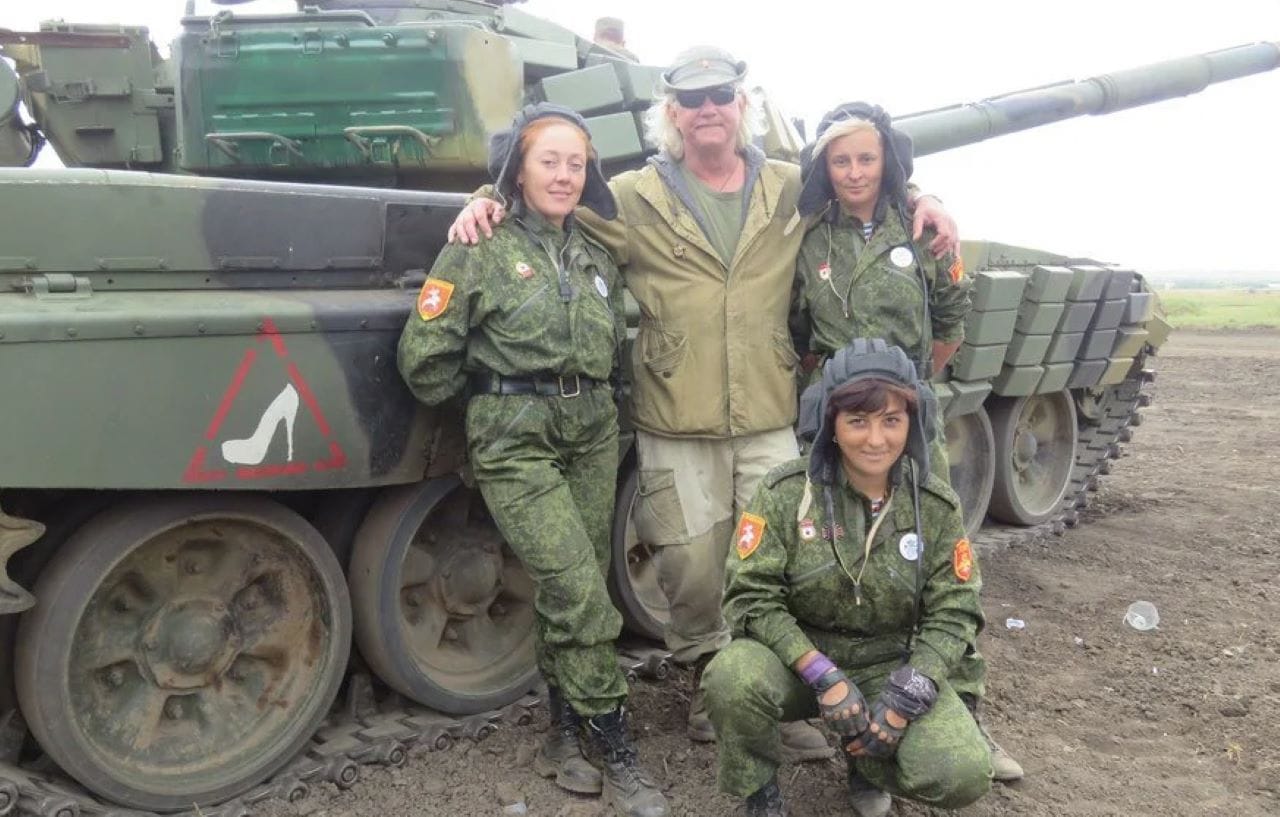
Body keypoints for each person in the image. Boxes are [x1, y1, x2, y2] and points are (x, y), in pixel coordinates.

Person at [447, 46, 958, 755]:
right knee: (688, 568)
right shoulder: (634, 194)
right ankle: (709, 689)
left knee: (782, 562)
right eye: (691, 100)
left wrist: (924, 197)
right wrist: (485, 197)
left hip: (768, 409)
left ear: (742, 105)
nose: (707, 109)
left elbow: (862, 182)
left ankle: (773, 695)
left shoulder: (788, 186)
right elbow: (549, 194)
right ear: (673, 114)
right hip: (675, 409)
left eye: (721, 95)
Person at [397, 103, 668, 817]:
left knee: (573, 585)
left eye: (576, 163)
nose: (564, 175)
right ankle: (617, 750)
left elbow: (613, 352)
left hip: (591, 433)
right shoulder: (478, 245)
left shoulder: (593, 252)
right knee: (580, 590)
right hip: (516, 440)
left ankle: (562, 735)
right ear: (518, 169)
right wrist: (491, 408)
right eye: (549, 160)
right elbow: (424, 360)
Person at [789, 102, 1024, 784]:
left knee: (940, 556)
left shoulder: (921, 229)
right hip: (836, 419)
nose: (854, 172)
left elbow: (950, 320)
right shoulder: (811, 238)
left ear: (887, 161)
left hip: (907, 417)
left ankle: (965, 709)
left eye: (866, 158)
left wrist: (909, 388)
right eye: (841, 160)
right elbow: (801, 331)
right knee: (837, 552)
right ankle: (848, 712)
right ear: (825, 169)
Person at [702, 339, 993, 817]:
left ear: (911, 424)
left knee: (961, 772)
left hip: (890, 665)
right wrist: (821, 673)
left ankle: (868, 761)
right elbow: (750, 598)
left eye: (891, 421)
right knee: (732, 678)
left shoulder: (936, 507)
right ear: (831, 425)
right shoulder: (784, 493)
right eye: (858, 421)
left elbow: (956, 611)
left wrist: (905, 699)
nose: (876, 440)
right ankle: (760, 793)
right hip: (799, 662)